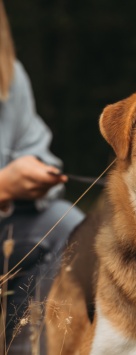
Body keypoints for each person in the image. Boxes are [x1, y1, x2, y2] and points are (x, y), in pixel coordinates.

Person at [0, 1, 85, 353]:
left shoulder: (10, 77)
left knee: (69, 224)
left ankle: (26, 346)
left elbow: (39, 152)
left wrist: (37, 177)